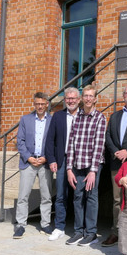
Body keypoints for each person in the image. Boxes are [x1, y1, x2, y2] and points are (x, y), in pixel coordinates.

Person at [65, 84, 107, 246]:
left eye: (91, 96)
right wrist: (69, 168)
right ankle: (78, 231)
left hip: (92, 166)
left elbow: (98, 145)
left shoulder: (100, 118)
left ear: (95, 99)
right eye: (86, 96)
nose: (88, 98)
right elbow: (71, 144)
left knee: (91, 198)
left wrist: (93, 171)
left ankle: (91, 232)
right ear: (82, 98)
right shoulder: (77, 117)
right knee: (77, 198)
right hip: (77, 165)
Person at [103, 83, 127, 247]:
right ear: (123, 95)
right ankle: (116, 231)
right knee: (117, 199)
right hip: (116, 163)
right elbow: (108, 135)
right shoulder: (115, 115)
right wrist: (116, 152)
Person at [13, 92, 53, 239]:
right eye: (37, 104)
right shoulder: (25, 119)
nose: (40, 106)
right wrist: (29, 158)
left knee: (46, 195)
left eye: (43, 104)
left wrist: (46, 158)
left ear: (47, 104)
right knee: (23, 195)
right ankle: (20, 225)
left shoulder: (52, 120)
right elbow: (20, 141)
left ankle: (45, 224)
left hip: (45, 162)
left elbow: (54, 142)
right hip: (28, 162)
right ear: (34, 104)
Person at [44, 87, 80, 241]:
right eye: (68, 98)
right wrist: (51, 159)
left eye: (73, 98)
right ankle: (59, 227)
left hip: (80, 160)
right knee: (60, 195)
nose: (70, 101)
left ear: (79, 100)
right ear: (65, 100)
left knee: (80, 195)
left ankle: (80, 229)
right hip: (62, 160)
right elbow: (50, 140)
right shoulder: (57, 116)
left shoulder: (84, 115)